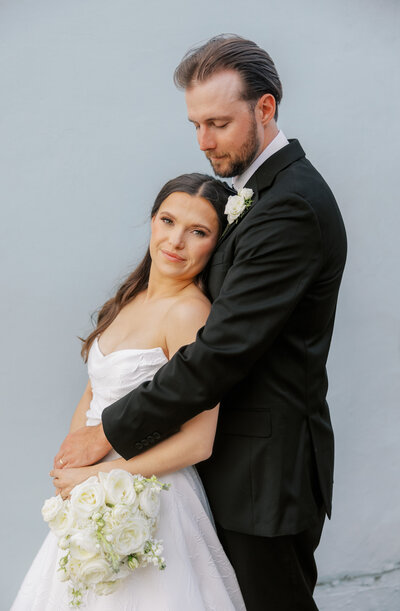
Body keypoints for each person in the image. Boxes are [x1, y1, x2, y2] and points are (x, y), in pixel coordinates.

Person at [55, 35, 347, 610]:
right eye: (195, 124)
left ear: (265, 108)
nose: (204, 142)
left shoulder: (290, 207)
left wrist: (108, 435)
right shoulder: (257, 194)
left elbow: (220, 352)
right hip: (221, 471)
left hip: (263, 476)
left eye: (218, 122)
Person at [12, 173, 246, 611]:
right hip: (90, 489)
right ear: (152, 221)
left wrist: (98, 476)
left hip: (152, 496)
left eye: (198, 232)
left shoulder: (191, 315)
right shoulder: (129, 298)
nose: (176, 241)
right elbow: (93, 391)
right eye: (167, 220)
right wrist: (72, 466)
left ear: (216, 244)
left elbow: (199, 441)